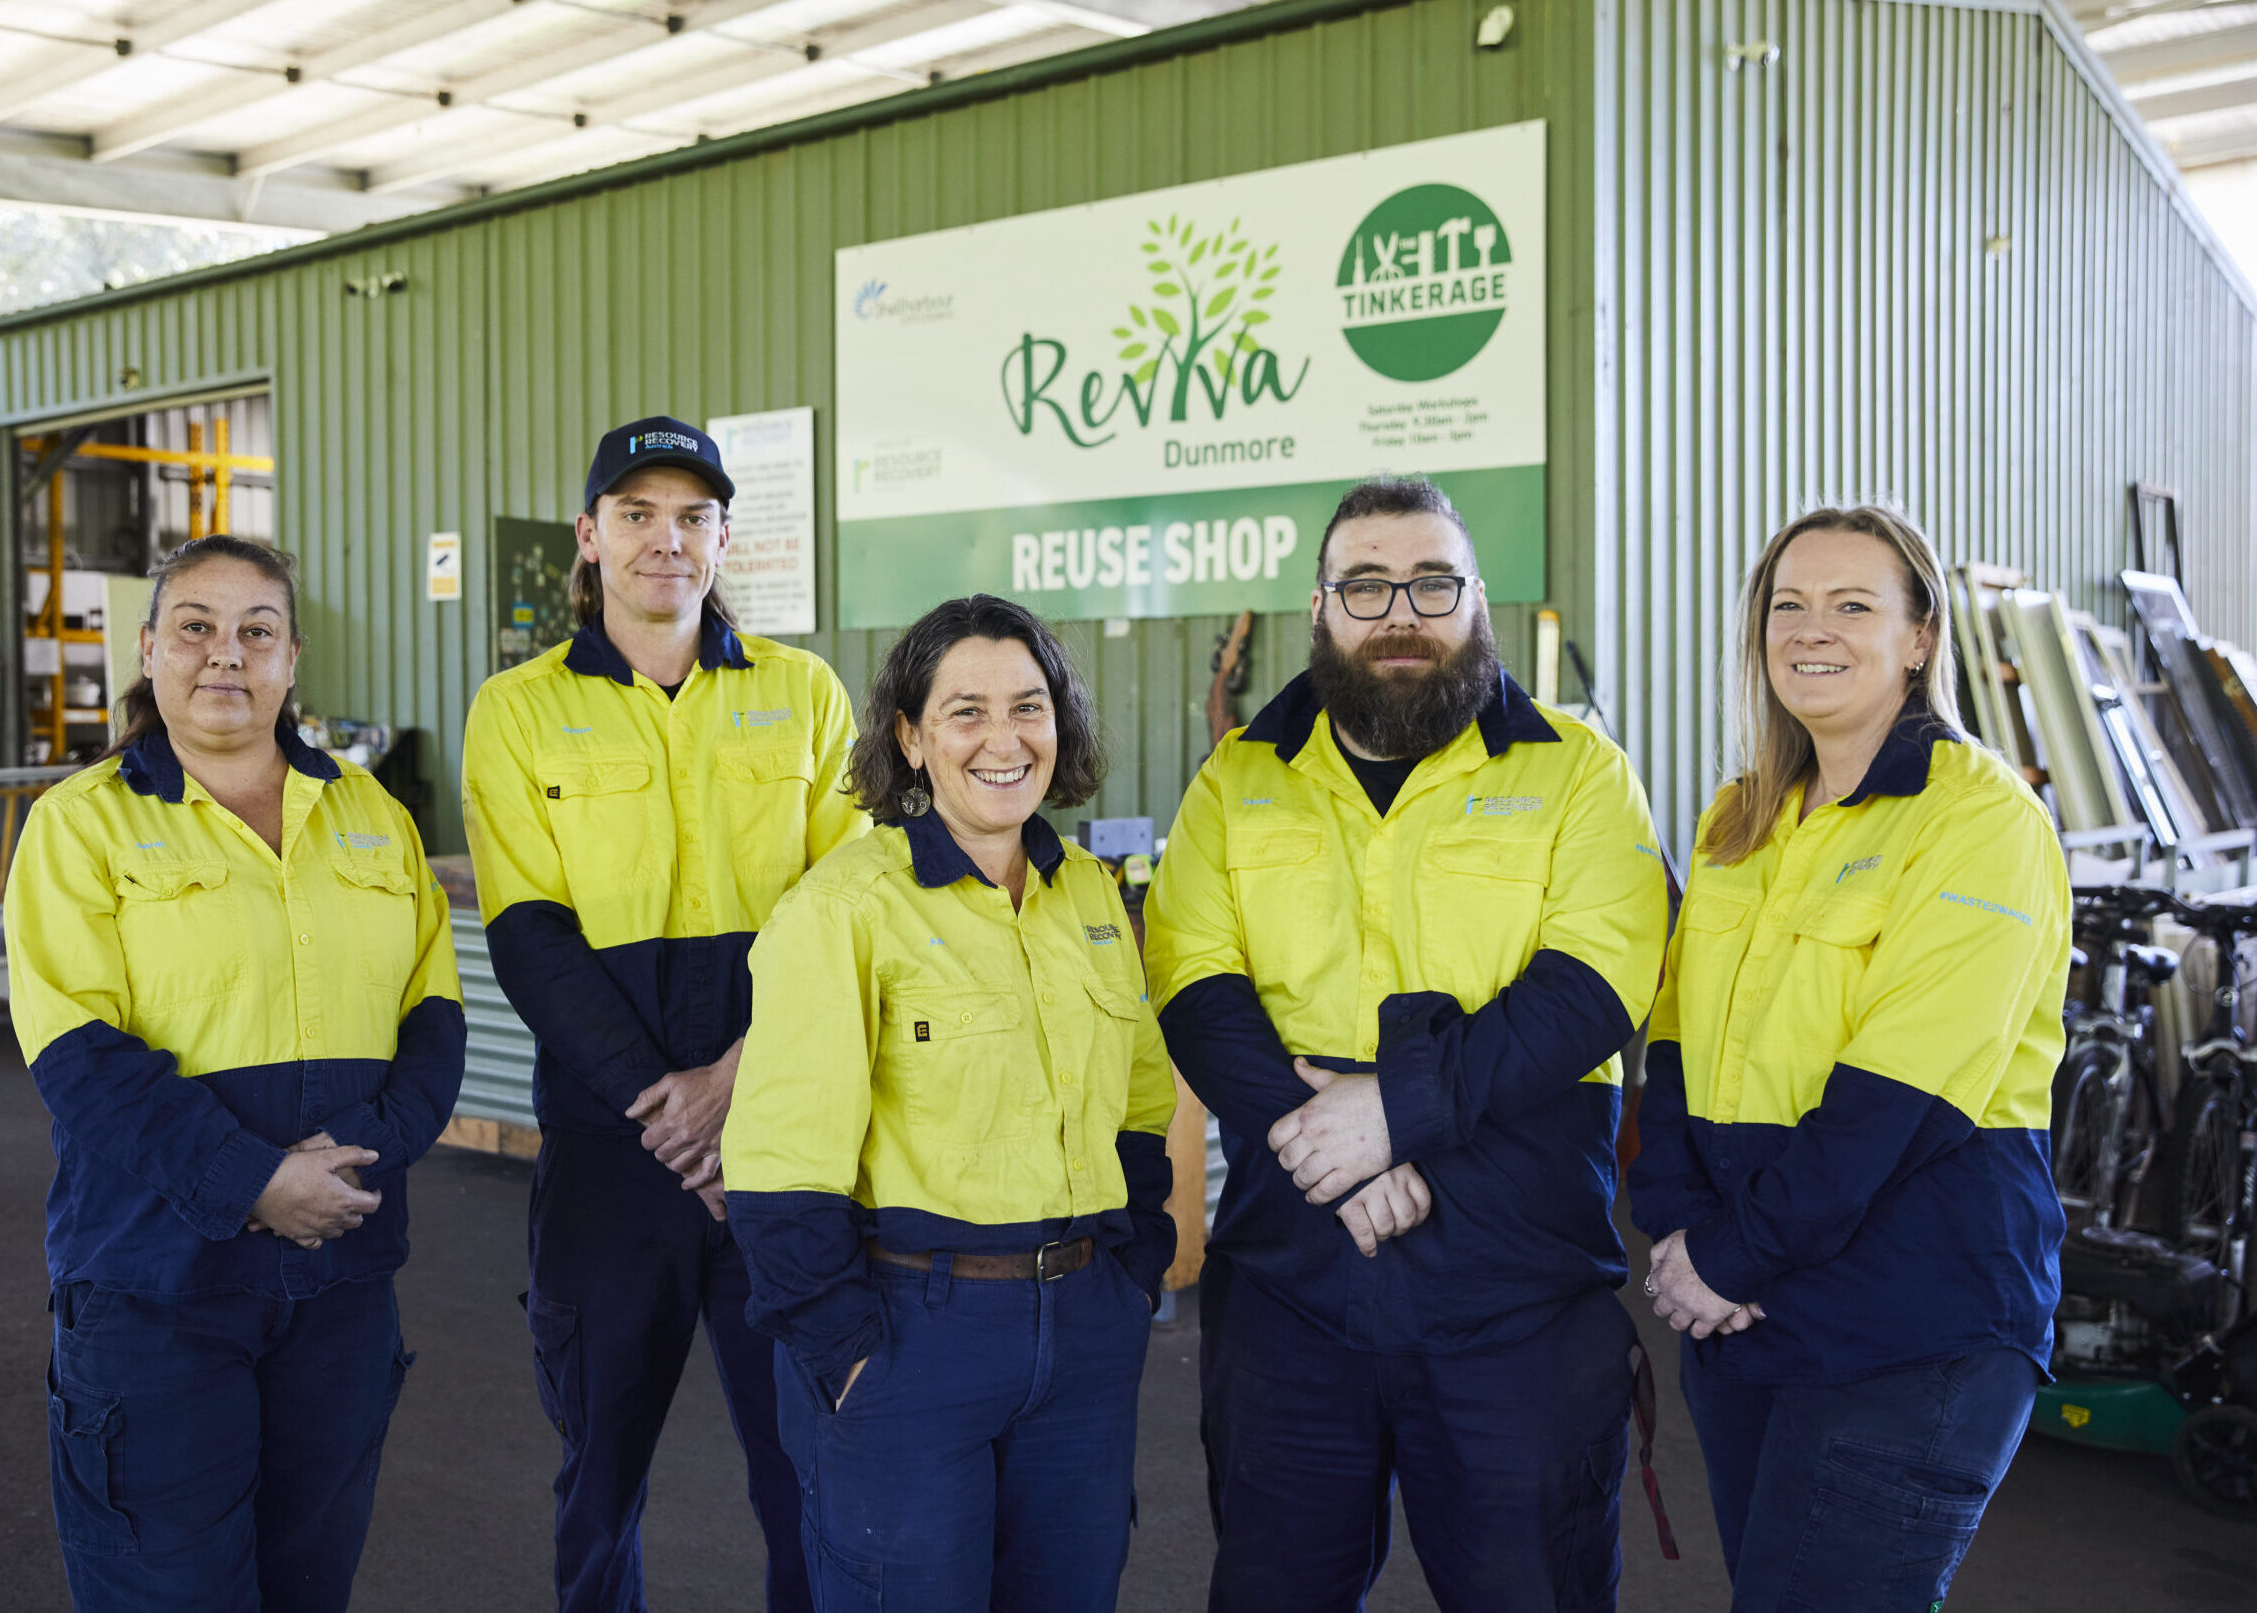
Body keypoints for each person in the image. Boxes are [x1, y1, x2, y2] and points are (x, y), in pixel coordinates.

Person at [1142, 476, 1670, 1612]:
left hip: (1513, 1292)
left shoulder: (1577, 771)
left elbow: (1597, 982)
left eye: (1432, 582)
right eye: (1366, 584)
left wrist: (1389, 1115)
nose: (1399, 611)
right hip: (1292, 1282)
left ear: (1475, 600)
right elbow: (1190, 979)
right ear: (1321, 607)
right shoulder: (1238, 780)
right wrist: (1324, 1144)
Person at [4, 536, 463, 1612]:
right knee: (167, 1589)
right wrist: (255, 1179)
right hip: (155, 1282)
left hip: (339, 1286)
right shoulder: (80, 827)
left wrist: (348, 1163)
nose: (227, 654)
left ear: (292, 657)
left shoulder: (372, 817)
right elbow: (79, 1057)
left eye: (256, 629)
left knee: (309, 1581)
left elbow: (430, 1021)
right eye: (197, 626)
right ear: (150, 648)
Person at [1627, 505, 2068, 1609]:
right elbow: (1674, 1046)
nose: (1809, 630)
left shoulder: (1978, 822)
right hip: (1752, 1306)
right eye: (1787, 604)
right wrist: (1679, 1229)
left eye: (1851, 604)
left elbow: (1897, 1105)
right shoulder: (1737, 819)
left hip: (1909, 1317)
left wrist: (1725, 1257)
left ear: (1919, 636)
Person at [461, 414, 859, 1613]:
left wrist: (738, 1078)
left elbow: (845, 910)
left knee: (810, 1468)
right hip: (608, 1155)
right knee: (600, 1475)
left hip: (781, 1139)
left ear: (724, 536)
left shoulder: (804, 693)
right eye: (636, 514)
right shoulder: (517, 710)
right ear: (589, 536)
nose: (664, 540)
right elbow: (529, 935)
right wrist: (670, 1110)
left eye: (692, 516)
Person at [721, 594, 1176, 1613]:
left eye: (1028, 705)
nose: (1003, 738)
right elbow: (779, 1170)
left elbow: (1140, 1105)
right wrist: (846, 1355)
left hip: (1082, 1329)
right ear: (909, 737)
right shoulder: (841, 908)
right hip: (909, 1337)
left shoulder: (1092, 896)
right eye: (964, 711)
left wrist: (1132, 1273)